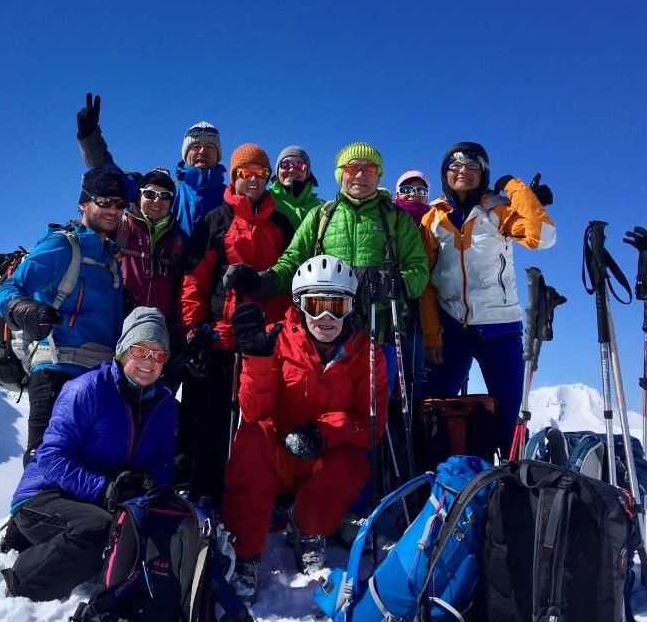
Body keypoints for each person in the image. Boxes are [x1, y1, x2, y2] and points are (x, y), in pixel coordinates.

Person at [222, 256, 388, 602]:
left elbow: (373, 427)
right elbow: (254, 413)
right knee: (250, 439)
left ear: (350, 307)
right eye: (316, 305)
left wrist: (323, 431)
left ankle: (309, 530)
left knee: (353, 462)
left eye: (336, 306)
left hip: (320, 459)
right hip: (279, 454)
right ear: (299, 305)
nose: (326, 318)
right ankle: (247, 553)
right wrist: (256, 360)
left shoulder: (366, 353)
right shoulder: (275, 339)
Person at [0, 307, 177, 602]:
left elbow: (163, 463)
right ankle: (24, 581)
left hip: (101, 500)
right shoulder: (87, 389)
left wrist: (145, 485)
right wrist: (102, 488)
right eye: (140, 350)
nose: (149, 361)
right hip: (45, 494)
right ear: (122, 351)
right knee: (100, 530)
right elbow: (50, 456)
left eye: (159, 355)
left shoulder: (165, 405)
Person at [225, 142, 429, 390]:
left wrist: (394, 283)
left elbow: (418, 270)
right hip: (325, 330)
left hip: (380, 331)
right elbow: (292, 262)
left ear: (379, 175)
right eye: (352, 168)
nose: (361, 175)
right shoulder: (322, 215)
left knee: (374, 406)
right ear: (340, 174)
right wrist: (261, 281)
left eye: (370, 168)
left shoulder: (396, 219)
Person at [418, 142, 556, 454]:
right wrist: (431, 335)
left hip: (500, 328)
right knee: (433, 411)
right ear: (445, 174)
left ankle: (513, 485)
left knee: (510, 418)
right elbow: (425, 282)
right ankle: (439, 484)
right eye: (454, 165)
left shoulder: (499, 211)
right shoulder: (433, 219)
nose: (463, 170)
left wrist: (512, 185)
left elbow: (543, 236)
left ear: (484, 173)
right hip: (451, 329)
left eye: (472, 164)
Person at [177, 143, 294, 507]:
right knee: (210, 424)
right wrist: (194, 327)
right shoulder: (214, 221)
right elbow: (193, 280)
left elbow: (289, 281)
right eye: (246, 173)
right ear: (235, 177)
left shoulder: (281, 223)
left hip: (265, 340)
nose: (253, 179)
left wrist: (282, 331)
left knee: (261, 424)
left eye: (260, 173)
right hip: (221, 336)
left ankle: (261, 496)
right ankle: (205, 495)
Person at [0, 165, 126, 465]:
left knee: (90, 471)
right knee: (44, 470)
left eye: (120, 204)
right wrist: (24, 310)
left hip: (100, 379)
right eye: (104, 201)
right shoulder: (62, 245)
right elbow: (7, 290)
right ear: (84, 204)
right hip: (56, 372)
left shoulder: (109, 258)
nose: (113, 210)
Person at [75, 93, 227, 237]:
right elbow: (109, 174)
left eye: (210, 147)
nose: (202, 151)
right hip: (168, 262)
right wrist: (90, 137)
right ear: (186, 154)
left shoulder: (230, 197)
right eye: (195, 146)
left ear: (218, 155)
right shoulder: (164, 193)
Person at [115, 168, 188, 340]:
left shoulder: (177, 239)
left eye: (165, 196)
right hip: (116, 326)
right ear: (139, 197)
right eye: (150, 193)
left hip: (157, 333)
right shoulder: (119, 227)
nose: (157, 200)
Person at [392, 169, 432, 403]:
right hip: (393, 305)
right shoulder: (387, 220)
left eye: (420, 190)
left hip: (426, 311)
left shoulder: (435, 224)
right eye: (406, 189)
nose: (413, 195)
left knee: (417, 378)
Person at [269, 145, 321, 231]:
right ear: (277, 171)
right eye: (285, 164)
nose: (292, 170)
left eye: (299, 165)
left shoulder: (321, 208)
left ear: (307, 172)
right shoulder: (265, 201)